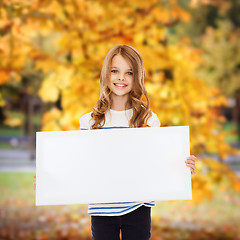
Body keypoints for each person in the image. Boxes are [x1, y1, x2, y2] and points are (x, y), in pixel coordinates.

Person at [33, 44, 197, 240]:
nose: (121, 77)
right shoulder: (90, 121)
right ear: (105, 75)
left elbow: (157, 162)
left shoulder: (148, 120)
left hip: (139, 208)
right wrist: (49, 180)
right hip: (102, 210)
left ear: (138, 77)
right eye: (115, 71)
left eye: (129, 72)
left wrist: (183, 166)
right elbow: (79, 165)